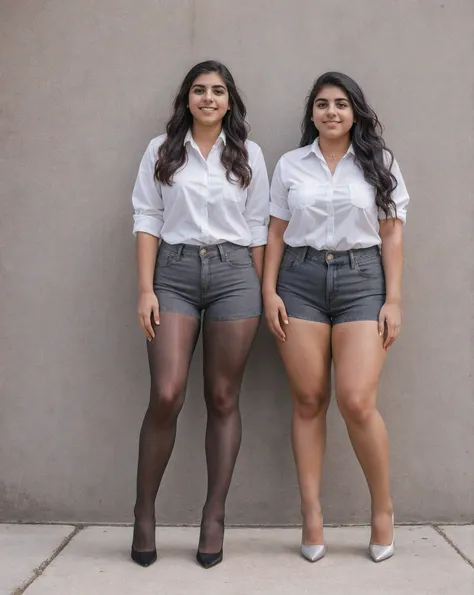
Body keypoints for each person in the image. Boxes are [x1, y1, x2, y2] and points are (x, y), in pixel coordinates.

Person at [262, 72, 409, 563]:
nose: (331, 112)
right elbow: (276, 233)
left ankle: (382, 509)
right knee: (308, 399)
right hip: (298, 281)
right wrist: (269, 292)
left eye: (341, 104)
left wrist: (393, 300)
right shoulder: (289, 165)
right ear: (311, 113)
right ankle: (312, 514)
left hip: (362, 280)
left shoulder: (379, 163)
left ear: (355, 112)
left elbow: (391, 235)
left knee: (356, 399)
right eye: (322, 104)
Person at [131, 60, 269, 569]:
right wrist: (145, 289)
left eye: (217, 91)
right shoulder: (160, 151)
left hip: (236, 273)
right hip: (175, 273)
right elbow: (147, 216)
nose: (208, 98)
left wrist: (260, 291)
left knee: (222, 395)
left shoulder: (249, 154)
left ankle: (214, 515)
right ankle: (144, 512)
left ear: (229, 100)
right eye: (198, 90)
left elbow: (257, 229)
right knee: (166, 392)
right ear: (186, 99)